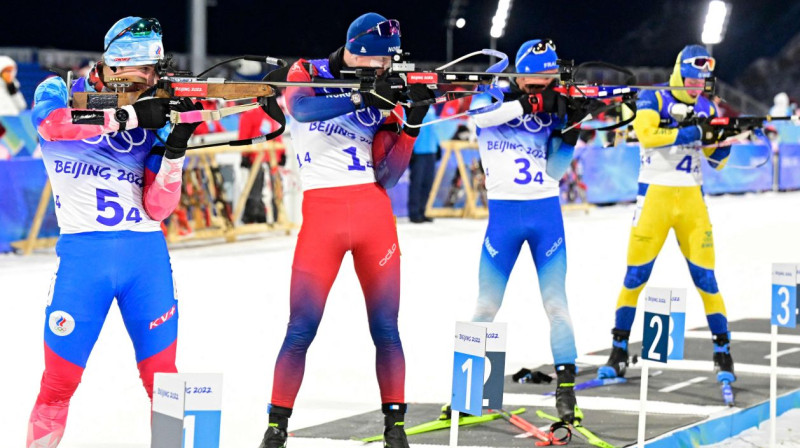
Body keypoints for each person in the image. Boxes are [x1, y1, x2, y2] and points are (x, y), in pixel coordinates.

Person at [258, 12, 433, 448]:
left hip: (374, 215)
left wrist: (409, 123)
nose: (384, 70)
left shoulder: (386, 85)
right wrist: (362, 98)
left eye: (387, 64)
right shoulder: (307, 71)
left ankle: (396, 426)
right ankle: (276, 428)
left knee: (386, 329)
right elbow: (301, 108)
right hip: (323, 217)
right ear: (358, 51)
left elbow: (389, 175)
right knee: (300, 328)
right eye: (378, 62)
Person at [26, 17, 202, 448]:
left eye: (153, 72)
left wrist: (175, 147)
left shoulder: (154, 110)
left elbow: (158, 207)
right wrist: (126, 116)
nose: (150, 79)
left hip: (146, 259)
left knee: (165, 383)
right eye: (143, 70)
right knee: (58, 384)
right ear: (117, 64)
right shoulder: (58, 90)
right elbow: (52, 125)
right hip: (84, 260)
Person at [597, 45, 735, 392]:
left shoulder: (705, 104)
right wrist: (687, 133)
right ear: (679, 73)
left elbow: (716, 161)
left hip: (692, 202)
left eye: (702, 80)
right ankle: (617, 351)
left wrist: (725, 141)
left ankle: (723, 352)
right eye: (691, 78)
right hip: (654, 199)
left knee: (706, 279)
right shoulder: (653, 99)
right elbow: (647, 135)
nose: (696, 85)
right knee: (635, 276)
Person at [469, 39, 584, 423]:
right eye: (533, 82)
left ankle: (566, 393)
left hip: (545, 215)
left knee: (556, 305)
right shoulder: (493, 93)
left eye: (546, 83)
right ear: (517, 72)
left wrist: (571, 129)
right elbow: (480, 118)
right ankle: (468, 392)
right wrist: (529, 103)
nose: (541, 89)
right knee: (485, 306)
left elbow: (555, 170)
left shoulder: (556, 104)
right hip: (503, 218)